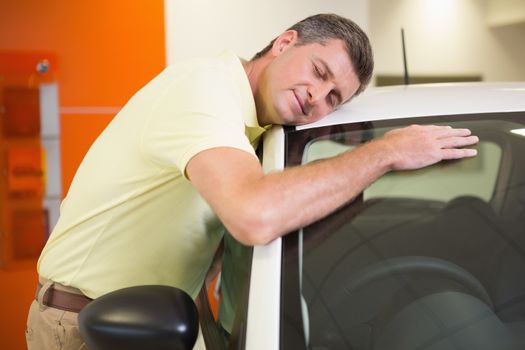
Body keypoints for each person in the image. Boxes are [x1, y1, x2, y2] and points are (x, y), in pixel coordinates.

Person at [25, 13, 478, 350]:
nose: (317, 98)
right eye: (319, 73)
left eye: (333, 98)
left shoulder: (260, 131)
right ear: (285, 43)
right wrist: (387, 151)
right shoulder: (204, 91)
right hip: (84, 328)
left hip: (160, 323)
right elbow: (254, 215)